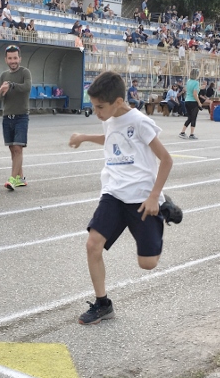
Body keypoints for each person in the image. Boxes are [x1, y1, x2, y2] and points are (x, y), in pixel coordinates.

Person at [67, 71, 182, 325]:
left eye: (100, 107)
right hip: (113, 192)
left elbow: (166, 160)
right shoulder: (108, 118)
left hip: (142, 197)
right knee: (92, 244)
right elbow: (111, 138)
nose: (96, 112)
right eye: (94, 106)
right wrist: (84, 138)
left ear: (118, 102)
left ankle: (163, 207)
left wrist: (154, 197)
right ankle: (102, 304)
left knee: (148, 264)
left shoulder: (140, 122)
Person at [0, 45, 31, 191]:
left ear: (20, 58)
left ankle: (12, 179)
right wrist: (1, 91)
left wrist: (11, 85)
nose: (13, 61)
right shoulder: (3, 76)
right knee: (13, 148)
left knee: (18, 148)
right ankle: (21, 178)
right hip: (7, 117)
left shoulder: (25, 72)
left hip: (21, 116)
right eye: (10, 58)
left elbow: (27, 87)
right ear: (6, 60)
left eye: (15, 58)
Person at [179, 69, 202, 140]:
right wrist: (199, 102)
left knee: (189, 117)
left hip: (187, 100)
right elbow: (195, 94)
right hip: (193, 101)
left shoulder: (188, 81)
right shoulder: (196, 83)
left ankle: (182, 132)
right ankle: (191, 134)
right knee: (193, 118)